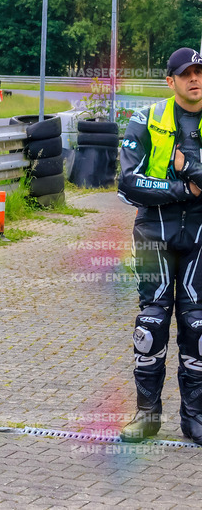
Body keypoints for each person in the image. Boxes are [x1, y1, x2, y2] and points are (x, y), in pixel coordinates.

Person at [118, 47, 202, 444]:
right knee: (151, 325)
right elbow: (128, 182)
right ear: (170, 81)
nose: (195, 79)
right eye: (186, 74)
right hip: (154, 234)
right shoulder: (146, 118)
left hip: (200, 237)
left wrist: (193, 169)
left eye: (199, 72)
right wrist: (184, 186)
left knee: (198, 327)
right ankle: (147, 415)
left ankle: (195, 417)